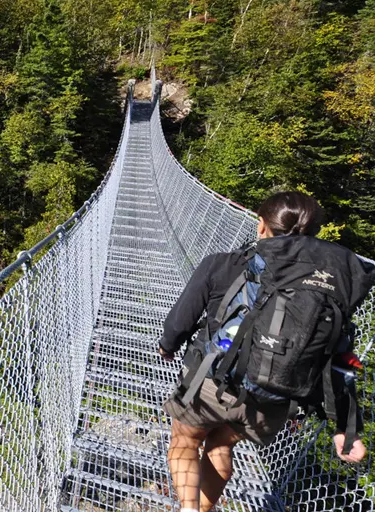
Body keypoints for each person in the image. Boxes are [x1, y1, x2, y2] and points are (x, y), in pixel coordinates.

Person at [158, 191, 374, 512]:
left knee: (185, 441)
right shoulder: (331, 282)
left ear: (261, 226)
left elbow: (180, 321)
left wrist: (168, 344)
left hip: (210, 384)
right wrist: (346, 427)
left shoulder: (223, 264)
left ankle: (190, 510)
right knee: (220, 444)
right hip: (273, 403)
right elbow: (339, 354)